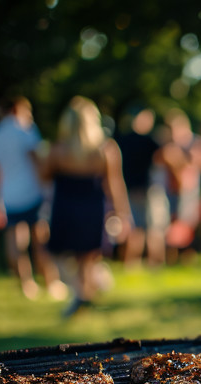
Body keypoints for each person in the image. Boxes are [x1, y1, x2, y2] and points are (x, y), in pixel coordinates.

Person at [43, 96, 133, 316]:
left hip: (66, 206)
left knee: (65, 254)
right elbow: (114, 184)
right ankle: (86, 292)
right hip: (92, 206)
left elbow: (44, 176)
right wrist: (123, 214)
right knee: (88, 256)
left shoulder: (58, 150)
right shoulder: (105, 150)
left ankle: (82, 295)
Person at [0, 96, 64, 300]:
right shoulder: (25, 131)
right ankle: (51, 281)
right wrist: (48, 184)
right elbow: (37, 161)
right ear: (18, 109)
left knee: (14, 240)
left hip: (9, 194)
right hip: (31, 191)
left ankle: (26, 284)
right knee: (40, 238)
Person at [155, 108, 201, 261]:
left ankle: (187, 255)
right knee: (170, 221)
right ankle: (172, 256)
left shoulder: (195, 142)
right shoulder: (165, 143)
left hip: (189, 189)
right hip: (169, 189)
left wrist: (185, 159)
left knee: (187, 221)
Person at [115, 105, 161, 267]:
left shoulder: (122, 140)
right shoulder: (149, 141)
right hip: (141, 189)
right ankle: (145, 263)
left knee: (138, 228)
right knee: (145, 228)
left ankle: (133, 264)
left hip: (132, 189)